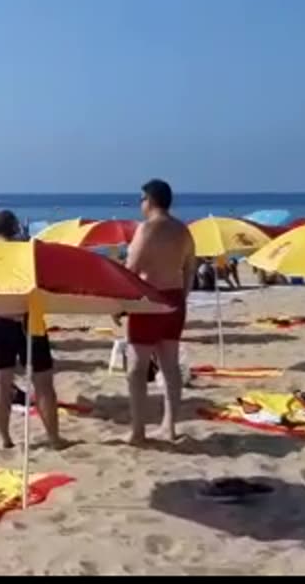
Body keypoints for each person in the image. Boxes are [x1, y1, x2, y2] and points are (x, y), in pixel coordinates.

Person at [0, 210, 64, 451]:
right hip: (27, 319)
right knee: (43, 381)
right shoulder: (26, 252)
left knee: (0, 381)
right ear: (15, 227)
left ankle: (4, 439)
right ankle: (54, 439)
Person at [123, 179, 194, 445]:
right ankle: (170, 427)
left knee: (137, 369)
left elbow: (131, 268)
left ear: (149, 200)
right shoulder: (183, 230)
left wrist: (121, 303)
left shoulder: (147, 229)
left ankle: (138, 431)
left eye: (141, 199)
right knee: (170, 366)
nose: (140, 204)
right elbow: (189, 267)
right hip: (174, 299)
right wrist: (183, 295)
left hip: (148, 300)